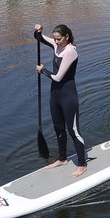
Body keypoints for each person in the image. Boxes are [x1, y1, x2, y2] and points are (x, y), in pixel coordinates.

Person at [34, 23, 87, 178]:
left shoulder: (70, 51)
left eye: (59, 39)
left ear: (67, 37)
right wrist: (38, 30)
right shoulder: (57, 45)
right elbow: (39, 38)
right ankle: (62, 159)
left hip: (68, 97)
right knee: (58, 128)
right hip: (55, 96)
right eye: (55, 39)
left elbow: (58, 77)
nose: (56, 42)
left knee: (73, 131)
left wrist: (42, 70)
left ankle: (82, 164)